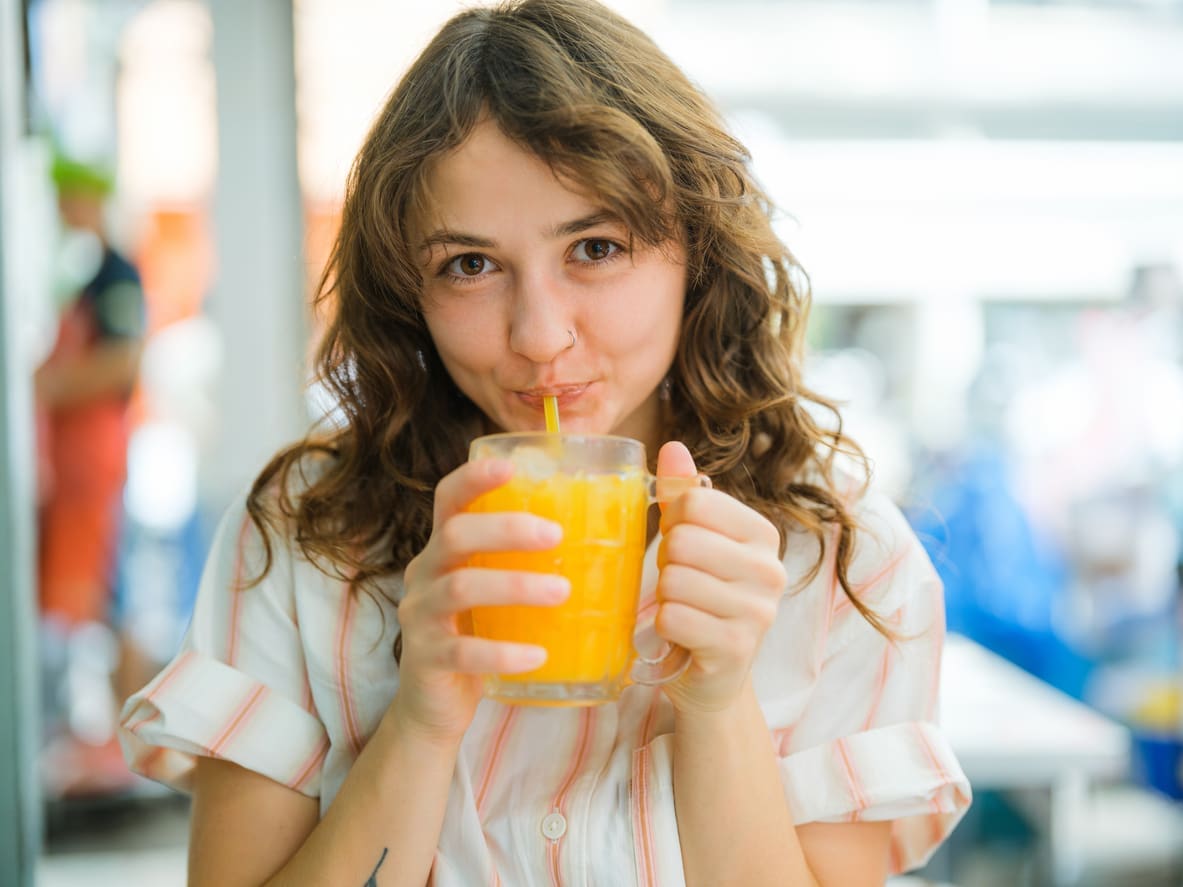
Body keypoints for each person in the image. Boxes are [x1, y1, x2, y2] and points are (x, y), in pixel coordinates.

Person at [119, 1, 970, 883]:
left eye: (595, 247)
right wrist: (419, 722)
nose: (538, 335)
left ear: (698, 250)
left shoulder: (843, 562)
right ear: (408, 289)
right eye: (470, 265)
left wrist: (717, 705)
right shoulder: (301, 542)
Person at [37, 153, 147, 795]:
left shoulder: (114, 275)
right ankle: (111, 740)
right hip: (78, 468)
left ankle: (126, 744)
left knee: (113, 597)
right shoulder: (86, 279)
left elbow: (120, 365)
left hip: (98, 466)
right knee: (101, 600)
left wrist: (44, 386)